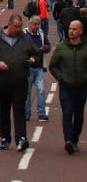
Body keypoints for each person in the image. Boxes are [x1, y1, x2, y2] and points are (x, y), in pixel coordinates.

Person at [0, 14, 37, 151]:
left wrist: (33, 59)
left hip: (20, 81)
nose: (18, 29)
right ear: (9, 24)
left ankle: (21, 138)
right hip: (3, 81)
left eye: (20, 27)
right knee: (4, 109)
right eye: (16, 27)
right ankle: (5, 138)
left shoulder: (25, 38)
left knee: (19, 108)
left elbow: (35, 52)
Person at [49, 19, 87, 154]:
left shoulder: (86, 48)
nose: (71, 31)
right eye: (70, 28)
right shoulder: (61, 47)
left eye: (74, 29)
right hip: (66, 87)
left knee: (79, 115)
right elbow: (53, 66)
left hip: (82, 87)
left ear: (81, 31)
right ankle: (68, 141)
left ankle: (75, 140)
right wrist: (61, 77)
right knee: (67, 112)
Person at [23, 15, 50, 124]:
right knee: (27, 92)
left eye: (38, 24)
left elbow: (48, 45)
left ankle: (41, 113)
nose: (37, 26)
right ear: (29, 24)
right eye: (35, 24)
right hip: (27, 68)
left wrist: (46, 48)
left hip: (39, 67)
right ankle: (26, 114)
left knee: (41, 90)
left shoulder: (42, 33)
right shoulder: (24, 35)